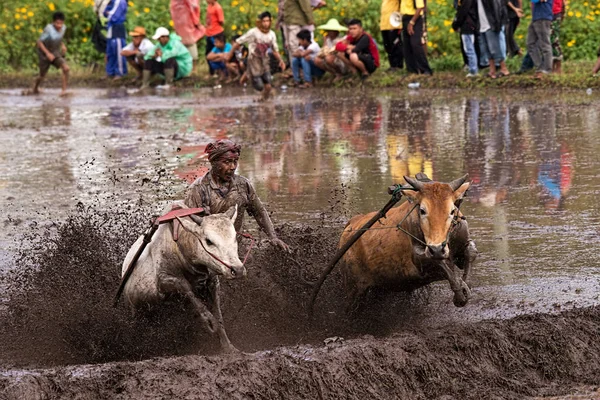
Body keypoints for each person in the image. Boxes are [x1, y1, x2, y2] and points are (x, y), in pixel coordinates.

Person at [185, 139, 290, 252]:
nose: (233, 167)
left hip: (237, 246)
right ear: (214, 162)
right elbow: (189, 228)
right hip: (211, 251)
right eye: (227, 162)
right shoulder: (198, 189)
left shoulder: (243, 185)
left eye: (235, 161)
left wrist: (273, 237)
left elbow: (259, 212)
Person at [227, 12, 286, 99]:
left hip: (265, 60)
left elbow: (274, 50)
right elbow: (238, 42)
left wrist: (281, 60)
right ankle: (248, 75)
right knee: (259, 85)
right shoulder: (253, 32)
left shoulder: (272, 34)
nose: (266, 23)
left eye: (268, 21)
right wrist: (229, 54)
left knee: (268, 84)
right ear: (260, 22)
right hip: (253, 60)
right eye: (264, 21)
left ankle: (264, 101)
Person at [30, 11, 70, 96]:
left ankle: (63, 91)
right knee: (42, 75)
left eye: (61, 23)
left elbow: (59, 38)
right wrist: (47, 53)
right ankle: (35, 88)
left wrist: (63, 45)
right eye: (57, 23)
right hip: (44, 52)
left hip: (55, 51)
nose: (59, 26)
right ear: (53, 22)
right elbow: (39, 42)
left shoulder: (64, 28)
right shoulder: (48, 29)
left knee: (66, 68)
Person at [95, 0, 128, 79]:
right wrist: (107, 13)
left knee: (118, 51)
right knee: (110, 51)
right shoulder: (112, 1)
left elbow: (113, 15)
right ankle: (110, 72)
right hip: (111, 27)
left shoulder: (120, 1)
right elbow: (105, 12)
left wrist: (107, 13)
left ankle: (120, 72)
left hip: (117, 28)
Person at [477, 0, 510, 78]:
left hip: (490, 24)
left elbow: (497, 8)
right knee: (486, 49)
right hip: (481, 25)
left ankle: (504, 69)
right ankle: (492, 71)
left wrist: (497, 24)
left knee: (494, 48)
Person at [170, 0, 205, 68]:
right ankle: (185, 68)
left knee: (190, 41)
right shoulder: (174, 3)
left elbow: (193, 4)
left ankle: (193, 67)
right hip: (179, 20)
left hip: (186, 18)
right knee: (182, 42)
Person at [401, 0, 433, 75]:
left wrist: (412, 22)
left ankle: (425, 69)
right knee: (407, 45)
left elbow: (420, 7)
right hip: (405, 17)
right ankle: (411, 70)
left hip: (415, 18)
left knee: (415, 43)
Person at [526, 0, 553, 79]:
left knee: (545, 44)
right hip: (536, 17)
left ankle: (547, 69)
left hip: (543, 17)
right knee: (530, 43)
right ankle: (539, 67)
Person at [452, 0, 480, 77]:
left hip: (467, 25)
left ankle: (473, 70)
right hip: (471, 24)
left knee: (469, 48)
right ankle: (473, 68)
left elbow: (463, 11)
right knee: (469, 47)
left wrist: (456, 23)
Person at [283, 0, 314, 65]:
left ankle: (299, 67)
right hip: (290, 20)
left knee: (294, 44)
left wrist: (310, 18)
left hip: (296, 20)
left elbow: (305, 4)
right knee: (290, 45)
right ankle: (294, 67)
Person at [380, 0, 404, 72]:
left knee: (396, 45)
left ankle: (398, 65)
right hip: (384, 25)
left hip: (394, 24)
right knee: (387, 46)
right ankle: (392, 65)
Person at [205, 0, 225, 75]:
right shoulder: (209, 6)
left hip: (216, 33)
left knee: (217, 52)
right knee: (208, 53)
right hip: (209, 33)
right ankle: (212, 72)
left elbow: (221, 21)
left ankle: (221, 71)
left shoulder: (218, 8)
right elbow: (208, 17)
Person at [551, 0, 564, 73]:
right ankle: (552, 65)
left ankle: (558, 66)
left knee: (554, 41)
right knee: (550, 41)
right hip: (548, 14)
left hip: (555, 13)